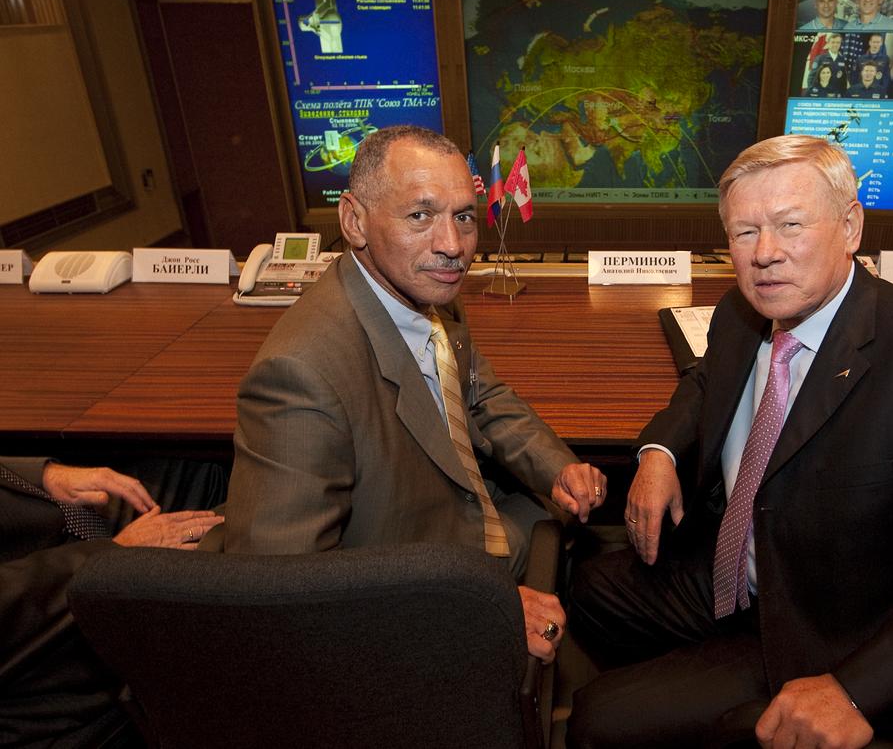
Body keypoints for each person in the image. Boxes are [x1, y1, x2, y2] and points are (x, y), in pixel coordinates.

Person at [567, 135, 893, 748]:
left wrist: (857, 689)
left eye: (790, 225)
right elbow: (704, 382)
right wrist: (659, 454)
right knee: (588, 585)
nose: (764, 254)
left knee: (597, 720)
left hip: (835, 629)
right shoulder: (741, 314)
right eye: (744, 233)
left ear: (850, 227)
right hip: (737, 565)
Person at [219, 125, 606, 662]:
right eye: (419, 216)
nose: (452, 246)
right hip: (420, 599)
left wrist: (554, 465)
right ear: (355, 221)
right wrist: (475, 610)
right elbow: (279, 595)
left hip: (475, 530)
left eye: (464, 216)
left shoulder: (424, 289)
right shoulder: (299, 374)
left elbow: (478, 392)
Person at [1, 458, 223, 747]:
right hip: (30, 625)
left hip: (34, 520)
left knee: (202, 472)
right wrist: (113, 553)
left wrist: (43, 474)